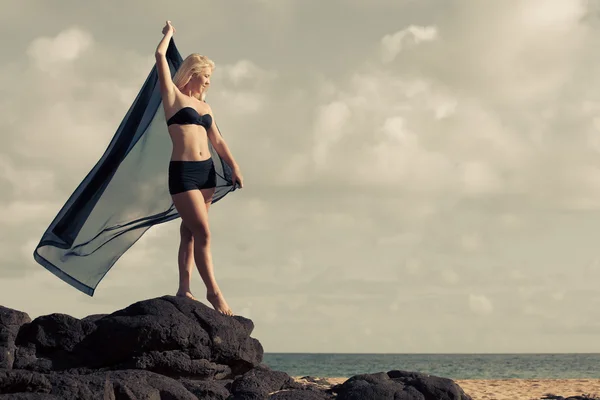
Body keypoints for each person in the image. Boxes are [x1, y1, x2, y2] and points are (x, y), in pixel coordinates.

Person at [155, 20, 243, 316]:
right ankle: (213, 292)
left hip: (206, 173)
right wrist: (168, 36)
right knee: (203, 232)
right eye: (205, 76)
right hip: (183, 174)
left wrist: (234, 166)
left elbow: (217, 139)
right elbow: (159, 58)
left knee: (189, 233)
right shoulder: (173, 97)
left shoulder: (206, 108)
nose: (208, 82)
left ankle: (184, 288)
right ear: (192, 74)